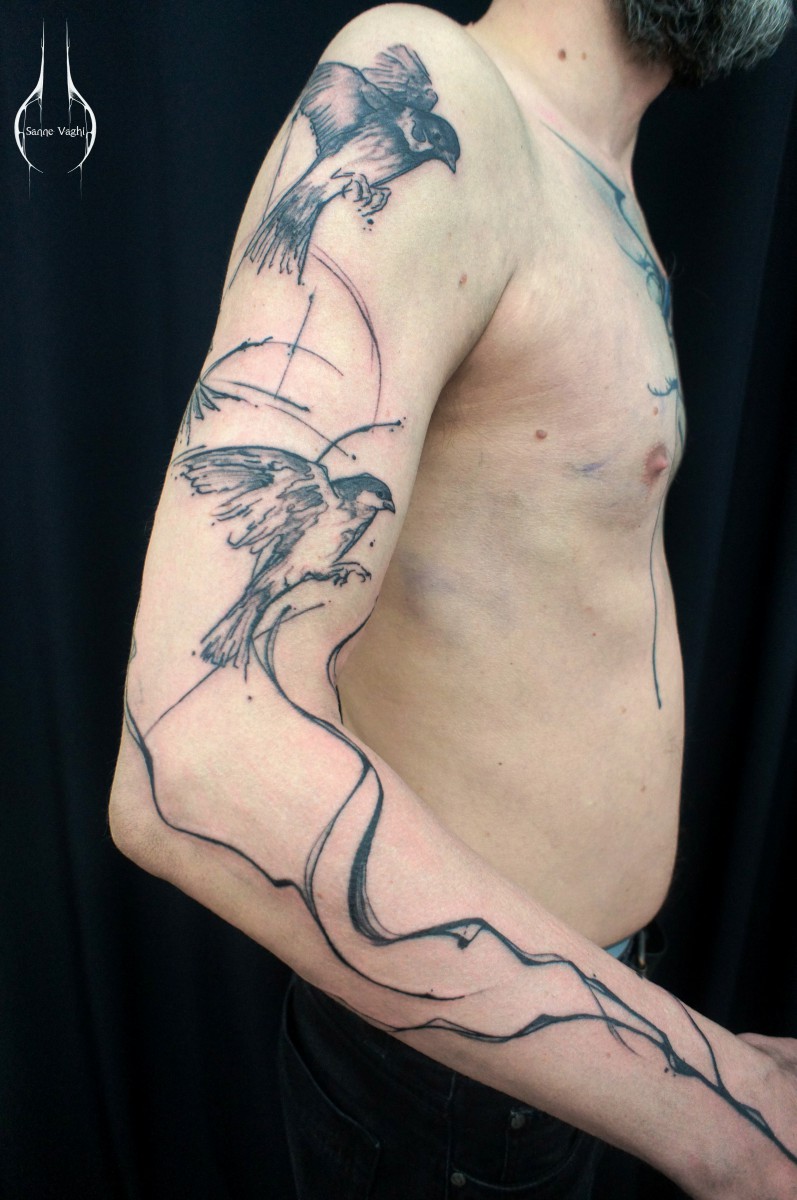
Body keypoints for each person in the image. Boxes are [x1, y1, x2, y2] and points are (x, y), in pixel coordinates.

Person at [108, 0, 797, 1196]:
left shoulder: (589, 177)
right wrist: (726, 1111)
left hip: (572, 1033)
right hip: (449, 1088)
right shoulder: (446, 97)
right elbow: (195, 746)